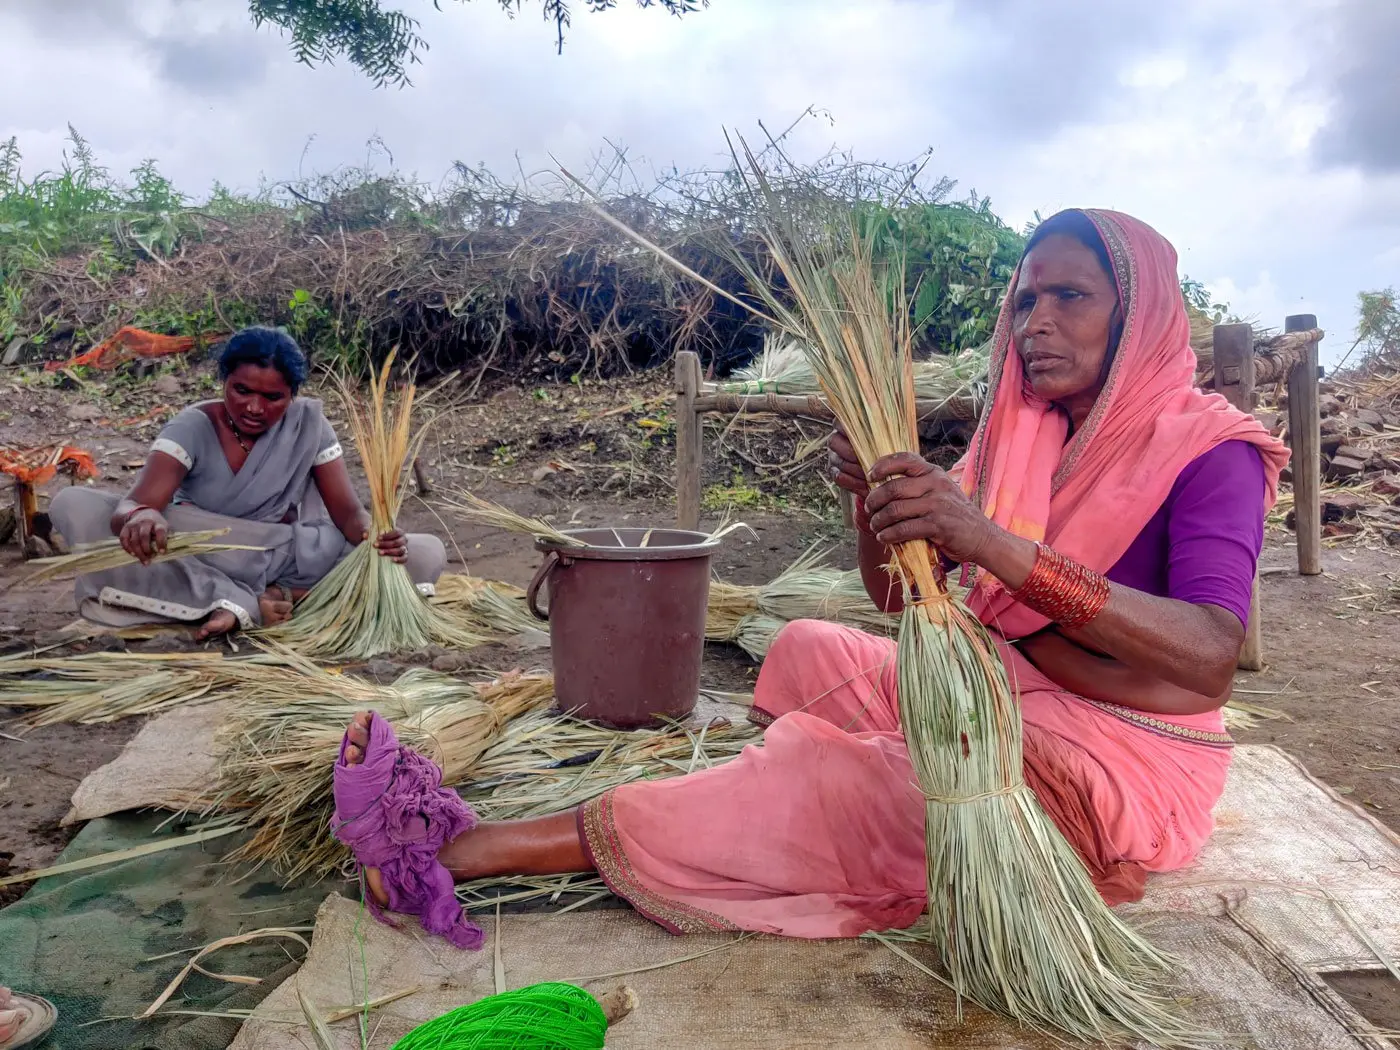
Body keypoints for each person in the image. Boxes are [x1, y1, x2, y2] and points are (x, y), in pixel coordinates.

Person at [328, 209, 1289, 949]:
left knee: (841, 781)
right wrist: (876, 510)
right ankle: (757, 797)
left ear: (1140, 310)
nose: (1036, 322)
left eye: (1070, 297)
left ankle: (478, 848)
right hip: (997, 696)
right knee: (804, 647)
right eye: (1026, 300)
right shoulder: (1025, 438)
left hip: (1108, 764)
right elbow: (893, 602)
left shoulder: (1211, 450)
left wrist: (988, 541)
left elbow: (1210, 657)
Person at [49, 327, 447, 640]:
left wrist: (376, 536)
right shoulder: (193, 426)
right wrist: (139, 516)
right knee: (75, 506)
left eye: (273, 397)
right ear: (224, 381)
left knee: (424, 553)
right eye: (241, 391)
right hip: (202, 550)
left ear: (292, 395)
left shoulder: (310, 427)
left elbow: (347, 514)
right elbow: (134, 504)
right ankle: (249, 601)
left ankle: (276, 598)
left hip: (282, 551)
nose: (254, 408)